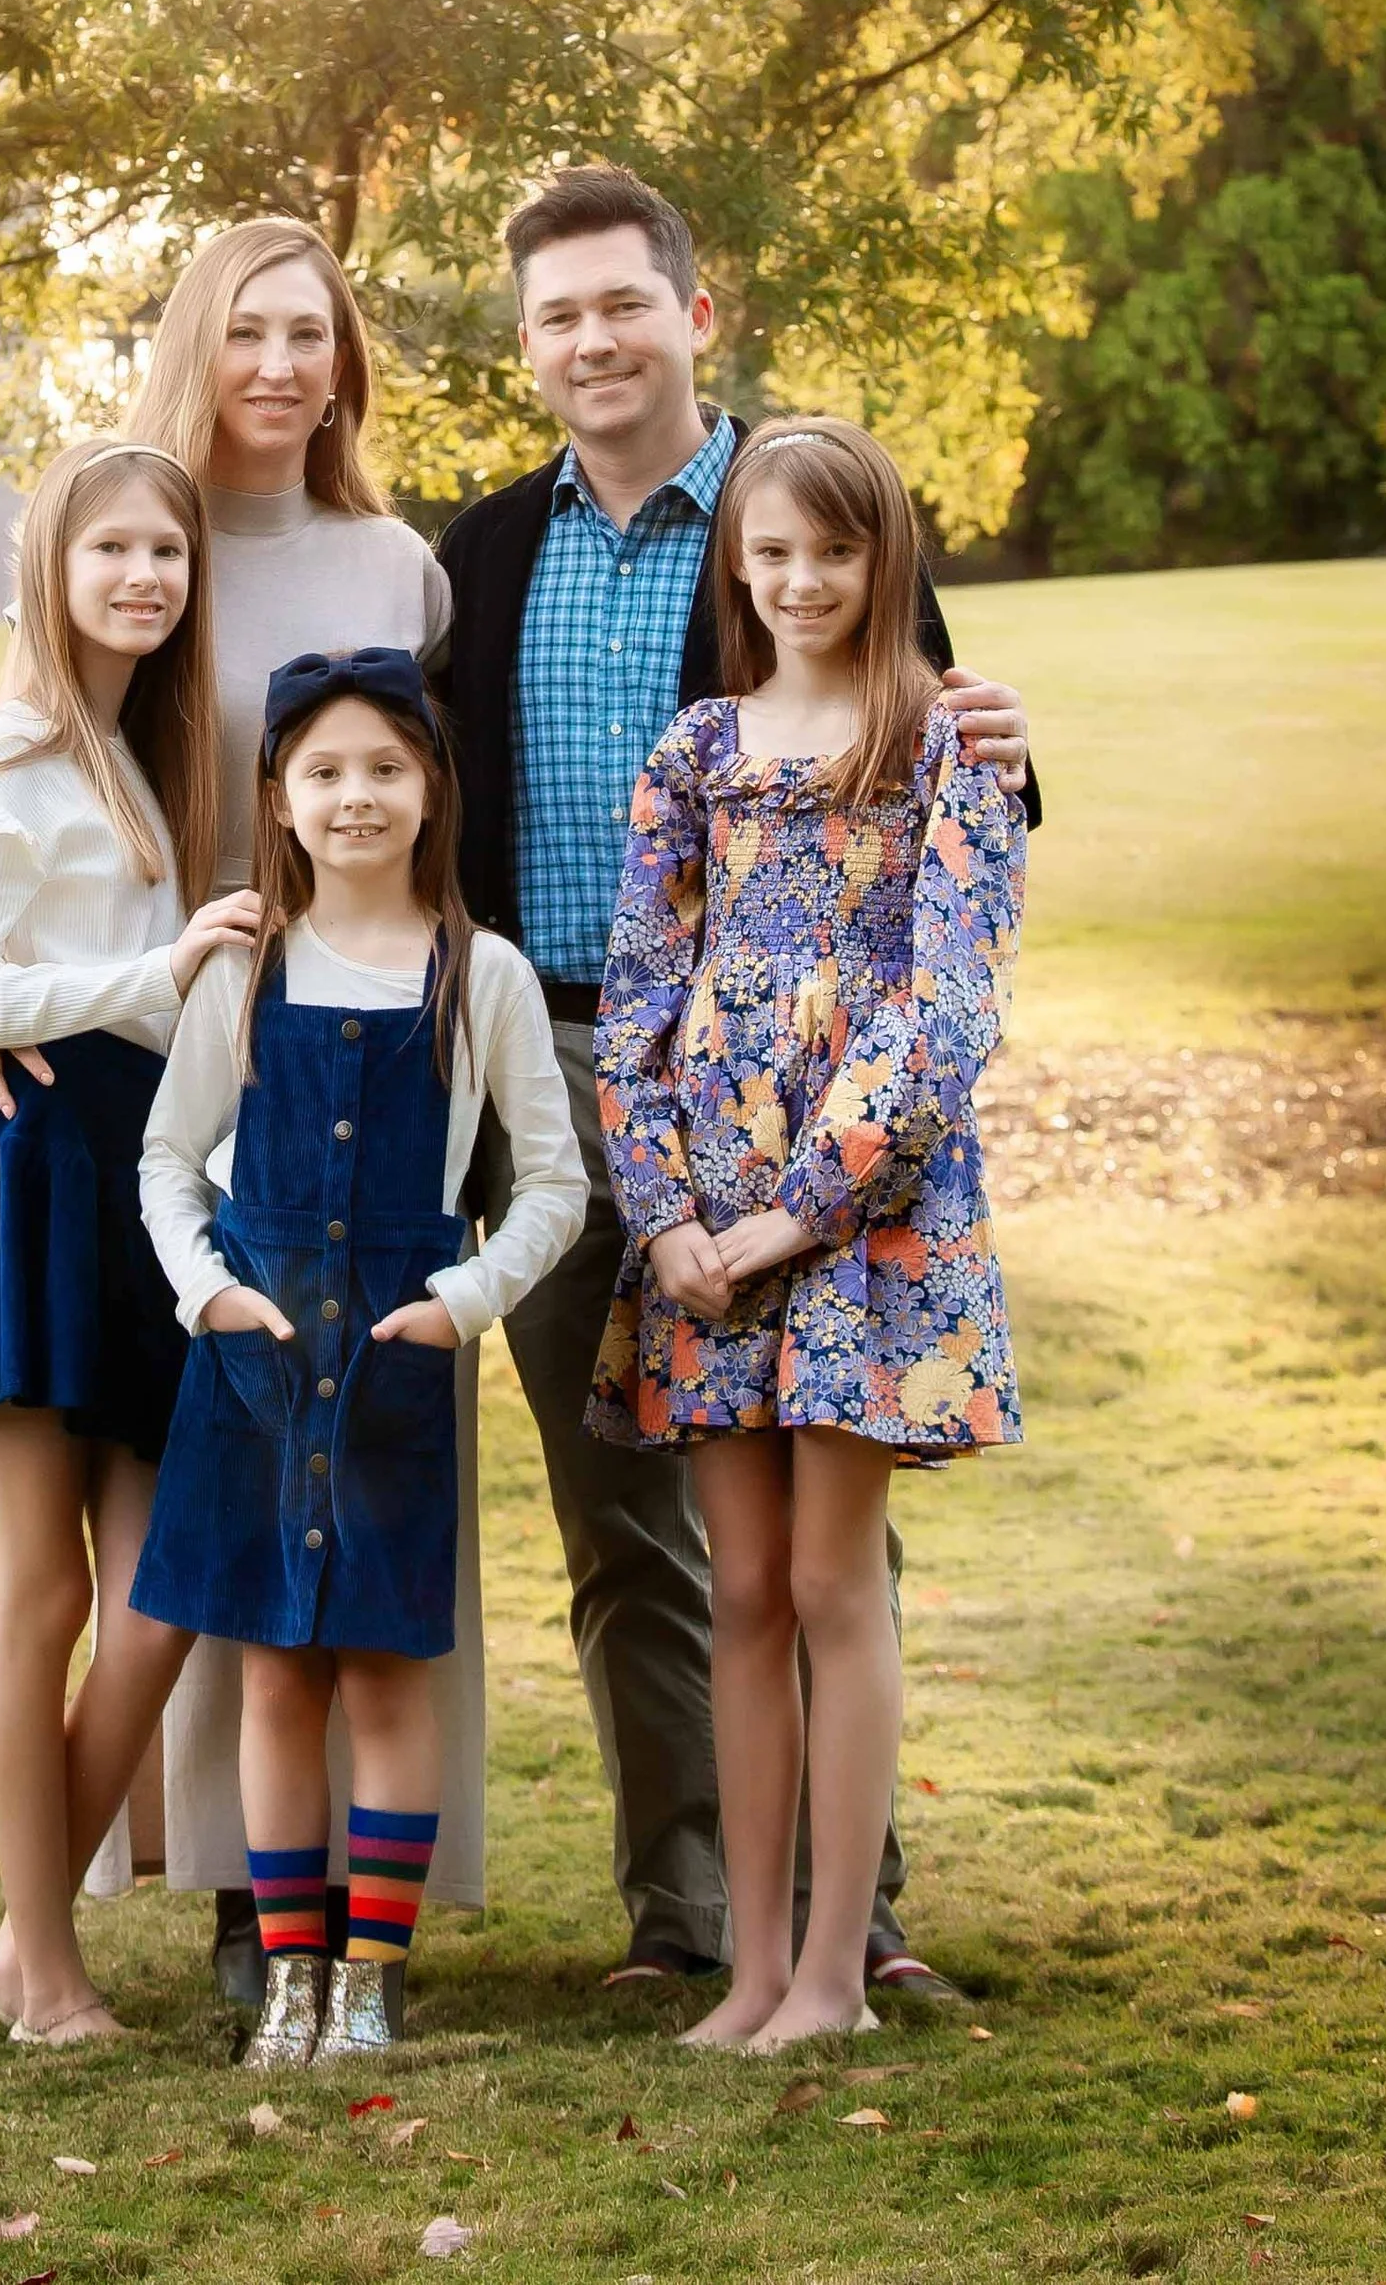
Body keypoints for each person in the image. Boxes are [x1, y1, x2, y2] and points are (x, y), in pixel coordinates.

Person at [436, 163, 1036, 1996]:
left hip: (817, 1100)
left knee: (821, 1530)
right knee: (630, 1525)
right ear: (527, 347)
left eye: (626, 301)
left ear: (694, 314)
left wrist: (1008, 749)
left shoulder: (799, 508)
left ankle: (855, 1920)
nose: (594, 337)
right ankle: (688, 1919)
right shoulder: (480, 554)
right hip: (556, 1069)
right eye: (558, 314)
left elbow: (949, 782)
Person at [0, 220, 458, 1999]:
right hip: (155, 1087)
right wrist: (25, 993)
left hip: (351, 1058)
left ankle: (316, 1910)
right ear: (200, 341)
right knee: (171, 1533)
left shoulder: (398, 563)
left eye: (309, 333)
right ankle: (139, 1922)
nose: (276, 364)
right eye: (243, 330)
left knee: (332, 1477)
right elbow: (36, 785)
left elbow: (419, 789)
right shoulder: (142, 535)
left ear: (346, 360)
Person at [595, 417, 1025, 2050]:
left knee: (839, 1584)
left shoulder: (943, 749)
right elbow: (637, 995)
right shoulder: (699, 750)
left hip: (861, 1227)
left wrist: (789, 1216)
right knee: (746, 1588)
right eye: (769, 554)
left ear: (884, 557)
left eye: (831, 553)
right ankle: (756, 1970)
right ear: (741, 563)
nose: (799, 582)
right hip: (705, 1226)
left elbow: (943, 1021)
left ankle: (839, 1968)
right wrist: (674, 1219)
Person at [0, 437, 258, 2044]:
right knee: (44, 1594)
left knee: (160, 1593)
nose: (145, 576)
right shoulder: (1, 753)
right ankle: (51, 1976)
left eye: (168, 551)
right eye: (113, 553)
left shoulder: (162, 748)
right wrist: (140, 984)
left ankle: (25, 1948)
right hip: (28, 1178)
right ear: (53, 569)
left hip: (147, 1187)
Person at [131, 650, 584, 2065]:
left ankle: (373, 1981)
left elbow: (555, 1186)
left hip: (397, 1363)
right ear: (279, 794)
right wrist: (204, 1294)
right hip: (253, 1367)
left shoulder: (483, 974)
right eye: (323, 770)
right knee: (274, 1678)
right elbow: (165, 1162)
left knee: (387, 1678)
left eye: (386, 766)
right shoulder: (245, 968)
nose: (355, 795)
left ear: (432, 786)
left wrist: (465, 1296)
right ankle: (286, 1979)